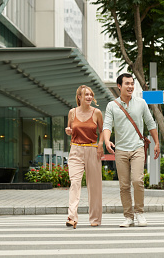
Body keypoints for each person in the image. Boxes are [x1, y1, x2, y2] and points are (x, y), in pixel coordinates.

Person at [103, 73, 160, 227]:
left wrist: (156, 143)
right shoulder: (112, 105)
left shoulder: (141, 103)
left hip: (137, 148)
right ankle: (128, 216)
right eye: (127, 84)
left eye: (132, 83)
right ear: (119, 86)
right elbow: (107, 125)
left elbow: (150, 123)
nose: (130, 86)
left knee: (137, 180)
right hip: (120, 150)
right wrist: (107, 140)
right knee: (124, 185)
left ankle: (140, 212)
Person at [65, 85, 104, 229]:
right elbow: (70, 130)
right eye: (86, 94)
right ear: (79, 97)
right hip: (75, 150)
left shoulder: (97, 113)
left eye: (91, 95)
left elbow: (103, 131)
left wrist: (101, 145)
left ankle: (95, 218)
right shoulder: (72, 112)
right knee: (74, 182)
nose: (89, 97)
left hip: (92, 150)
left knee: (94, 186)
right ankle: (72, 216)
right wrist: (68, 131)